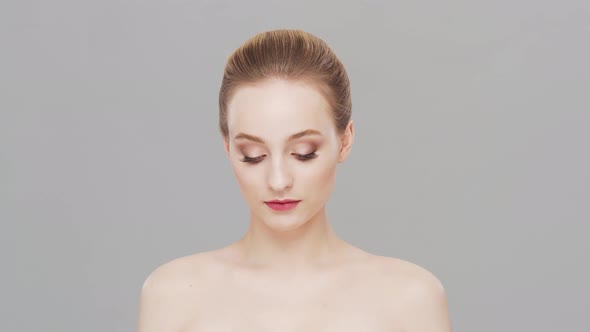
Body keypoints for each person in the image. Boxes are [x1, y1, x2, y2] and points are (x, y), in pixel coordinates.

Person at [137, 29, 452, 331]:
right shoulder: (172, 295)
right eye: (252, 155)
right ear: (228, 148)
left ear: (345, 141)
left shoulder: (411, 300)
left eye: (303, 152)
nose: (278, 180)